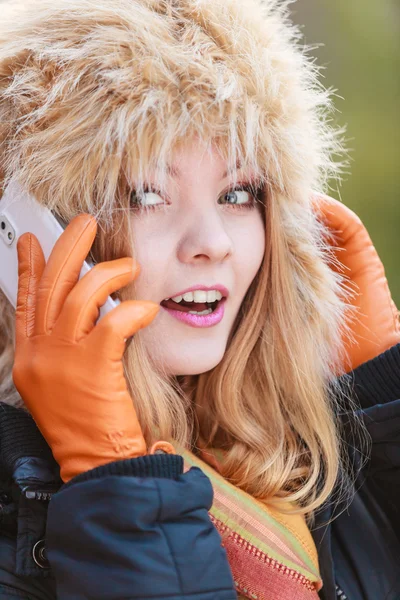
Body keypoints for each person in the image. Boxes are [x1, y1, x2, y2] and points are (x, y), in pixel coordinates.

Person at [0, 0, 399, 599]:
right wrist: (118, 488)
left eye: (238, 192)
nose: (212, 243)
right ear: (30, 230)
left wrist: (382, 407)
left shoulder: (299, 457)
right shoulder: (21, 518)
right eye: (146, 195)